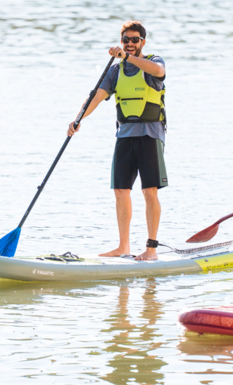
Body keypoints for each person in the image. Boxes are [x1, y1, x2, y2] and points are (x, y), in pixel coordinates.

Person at [67, 20, 167, 261]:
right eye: (126, 40)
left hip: (150, 135)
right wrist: (78, 119)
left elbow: (158, 73)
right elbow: (96, 97)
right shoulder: (115, 71)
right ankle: (124, 246)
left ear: (143, 41)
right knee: (120, 190)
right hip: (124, 135)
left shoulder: (154, 62)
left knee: (149, 191)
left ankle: (151, 249)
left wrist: (126, 57)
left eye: (135, 40)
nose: (130, 44)